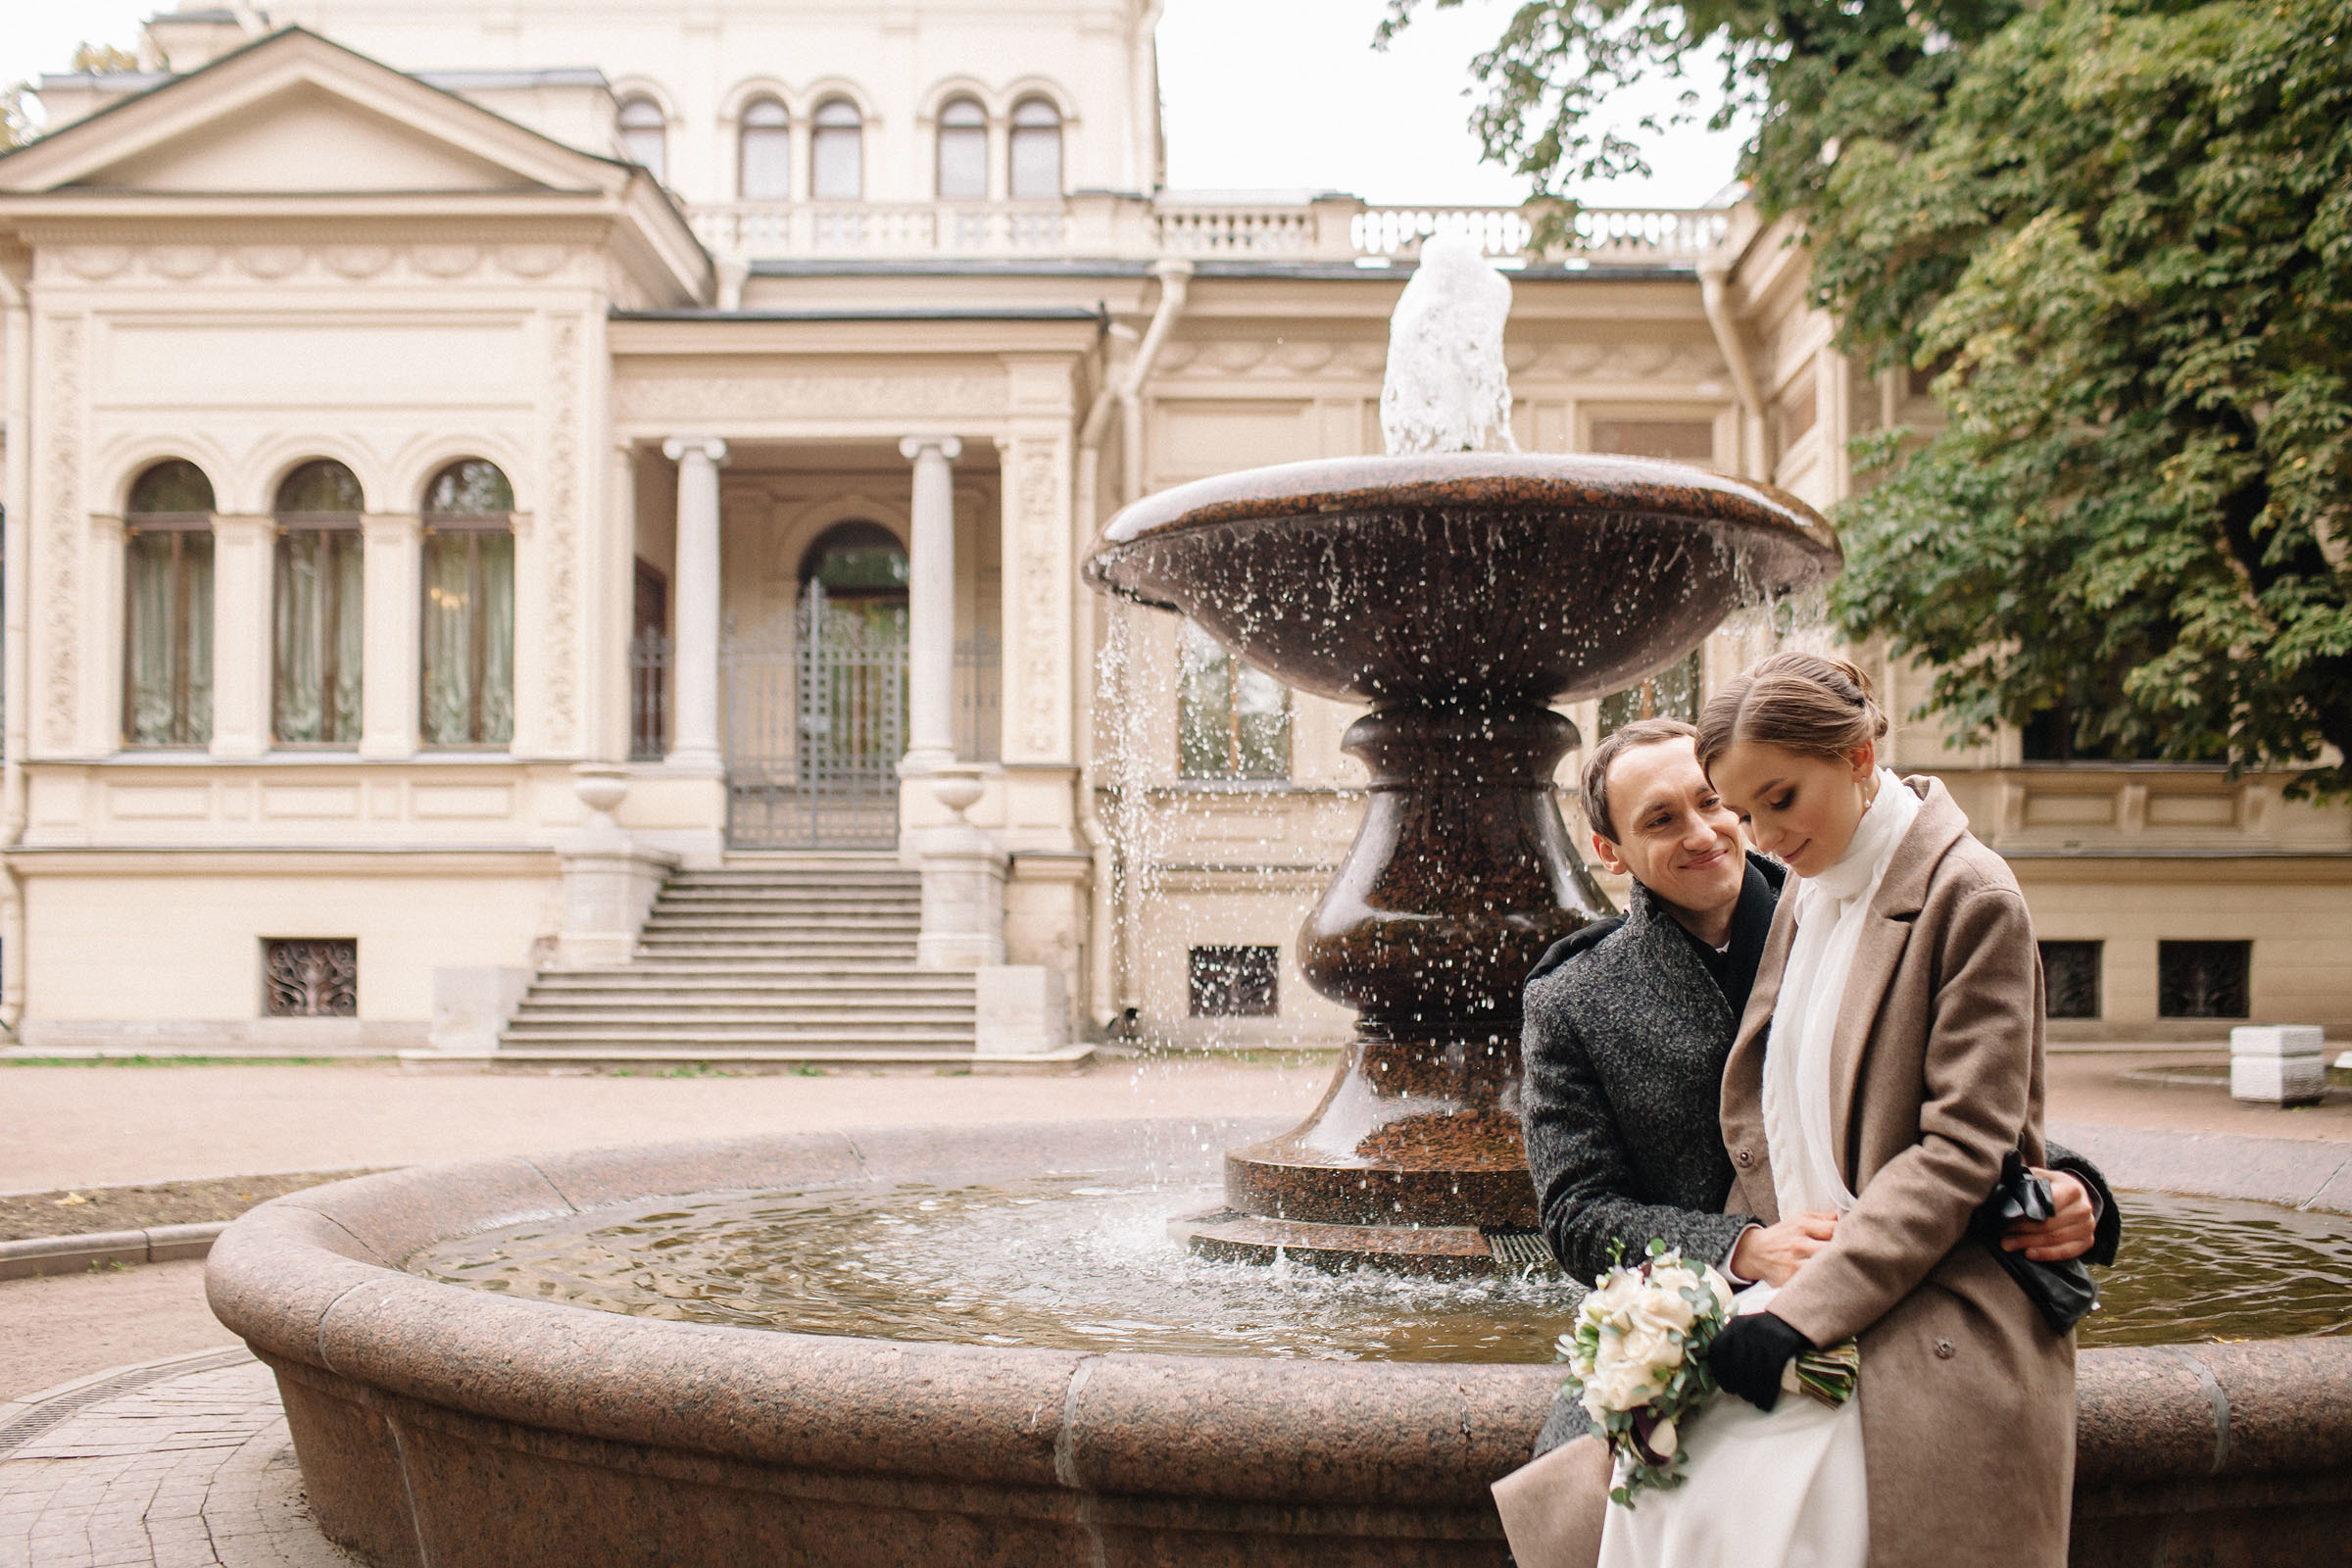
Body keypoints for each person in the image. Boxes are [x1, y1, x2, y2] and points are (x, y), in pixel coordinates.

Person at [1584, 652, 2080, 1568]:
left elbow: (1963, 1150)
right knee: (1653, 1483)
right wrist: (1725, 1283)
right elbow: (1767, 1120)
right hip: (1801, 1281)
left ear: (1857, 755)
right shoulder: (1814, 884)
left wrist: (1795, 1317)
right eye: (1747, 809)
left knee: (1730, 1493)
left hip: (1934, 1298)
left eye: (1779, 798)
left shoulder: (1970, 895)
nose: (1759, 836)